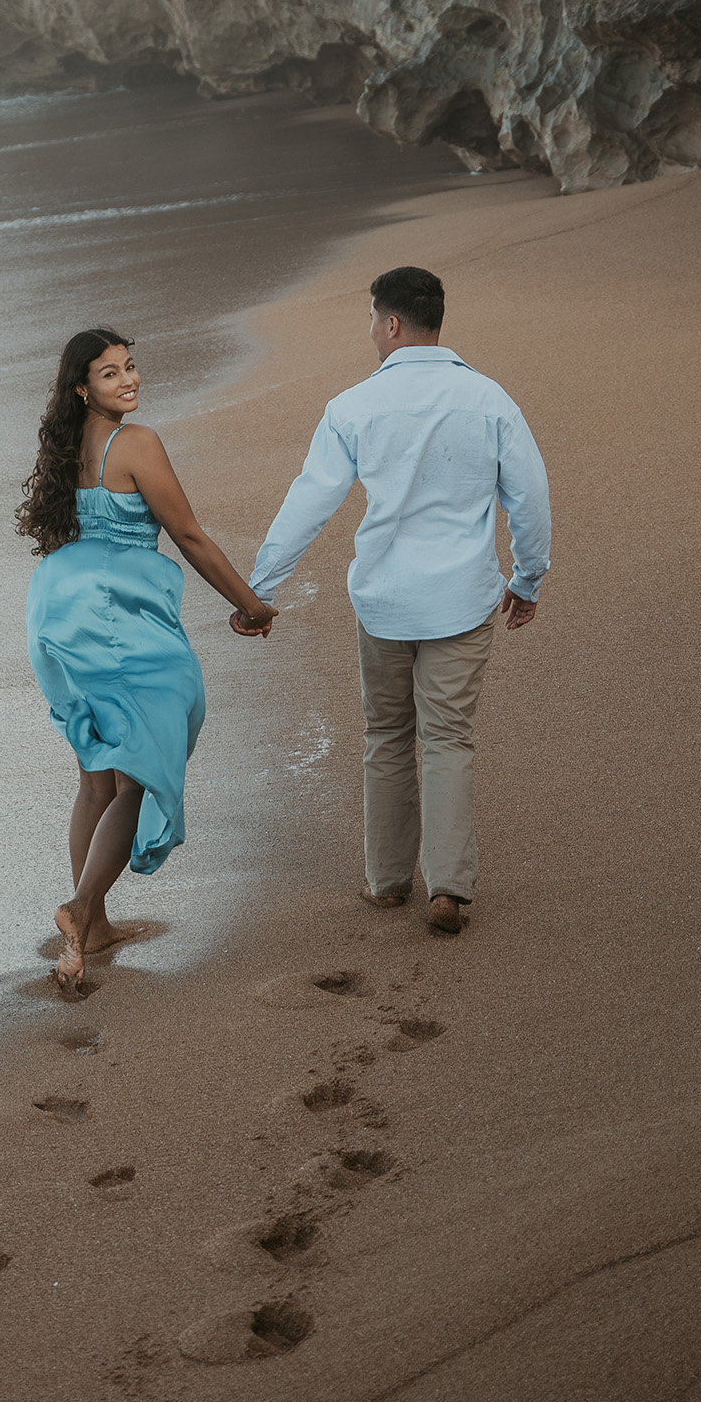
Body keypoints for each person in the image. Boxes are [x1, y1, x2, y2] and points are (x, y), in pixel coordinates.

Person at [238, 267, 550, 935]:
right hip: (462, 598)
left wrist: (260, 588)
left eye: (371, 321)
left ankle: (387, 881)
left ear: (390, 323)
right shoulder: (489, 399)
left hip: (383, 599)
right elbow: (529, 495)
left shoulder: (353, 406)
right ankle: (449, 889)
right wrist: (527, 579)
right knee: (448, 739)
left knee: (385, 737)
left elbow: (310, 500)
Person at [17, 327, 276, 992]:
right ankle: (79, 912)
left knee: (96, 779)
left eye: (130, 367)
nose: (128, 380)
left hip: (56, 612)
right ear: (83, 387)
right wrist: (251, 604)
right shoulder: (137, 444)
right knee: (140, 771)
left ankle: (96, 925)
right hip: (117, 619)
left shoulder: (61, 446)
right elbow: (187, 534)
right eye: (109, 374)